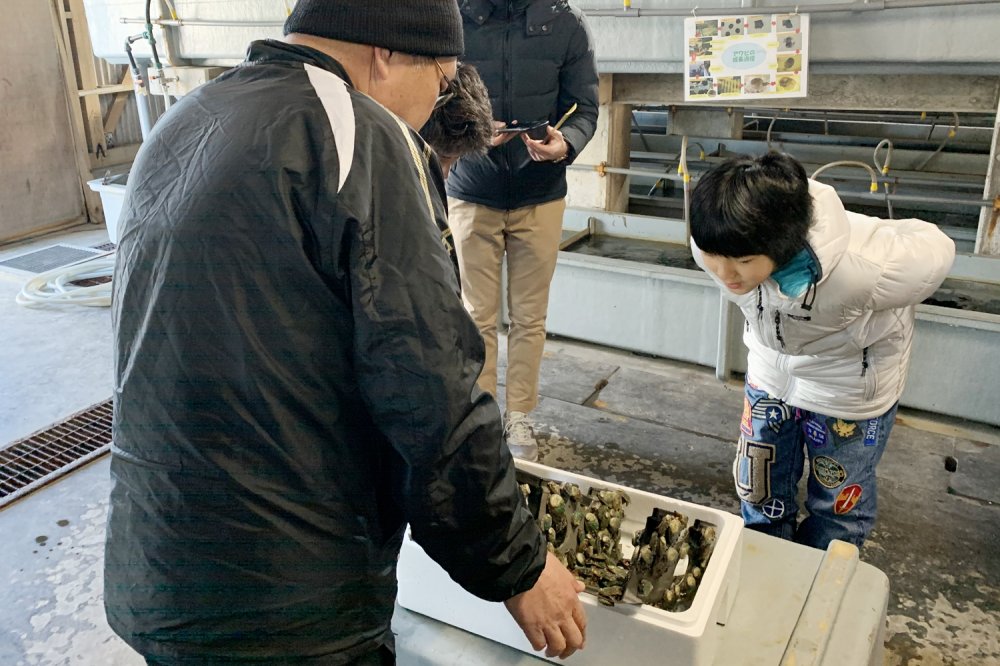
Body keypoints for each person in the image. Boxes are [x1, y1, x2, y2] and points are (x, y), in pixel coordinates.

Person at [105, 1, 587, 663]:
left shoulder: (192, 116)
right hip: (287, 600)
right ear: (388, 52)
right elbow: (431, 392)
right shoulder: (364, 134)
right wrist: (520, 566)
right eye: (442, 80)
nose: (435, 103)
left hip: (155, 564)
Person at [689, 152, 955, 550]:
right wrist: (735, 261)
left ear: (781, 244)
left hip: (846, 390)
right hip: (771, 377)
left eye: (743, 261)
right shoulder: (714, 242)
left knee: (837, 504)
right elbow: (725, 260)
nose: (726, 276)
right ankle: (768, 567)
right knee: (758, 486)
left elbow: (937, 247)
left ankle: (823, 584)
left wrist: (877, 232)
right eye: (716, 259)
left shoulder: (864, 268)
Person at [446, 0, 599, 462]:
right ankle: (485, 416)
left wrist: (567, 142)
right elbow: (431, 102)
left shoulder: (566, 23)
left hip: (541, 194)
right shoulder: (453, 19)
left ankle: (521, 415)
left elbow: (586, 106)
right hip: (472, 191)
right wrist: (468, 133)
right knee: (477, 315)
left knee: (530, 317)